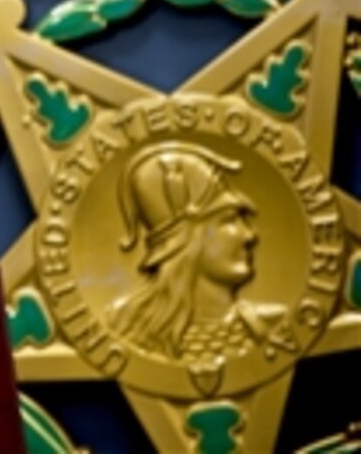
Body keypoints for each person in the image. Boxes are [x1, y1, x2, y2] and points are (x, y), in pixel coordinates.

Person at [106, 143, 285, 363]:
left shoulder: (273, 324)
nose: (249, 236)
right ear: (187, 239)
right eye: (229, 220)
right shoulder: (123, 328)